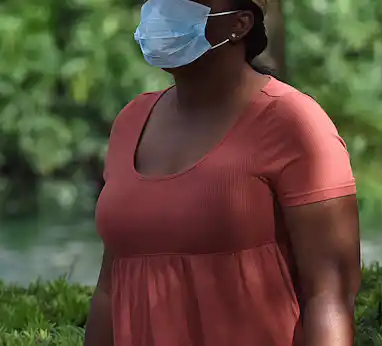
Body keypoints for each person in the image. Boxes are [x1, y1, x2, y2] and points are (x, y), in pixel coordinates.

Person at [84, 0, 361, 345]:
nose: (162, 8)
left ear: (240, 23)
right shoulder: (130, 121)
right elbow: (110, 288)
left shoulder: (295, 123)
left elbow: (330, 295)